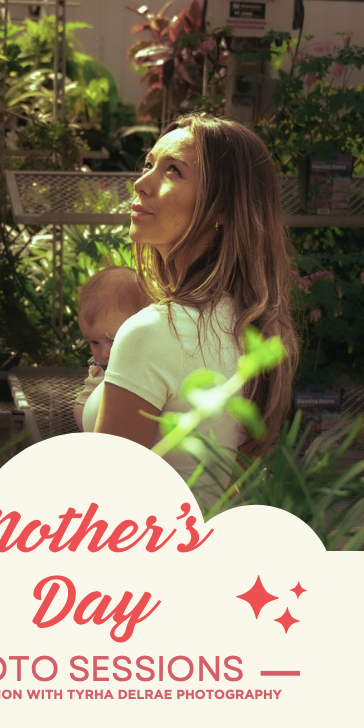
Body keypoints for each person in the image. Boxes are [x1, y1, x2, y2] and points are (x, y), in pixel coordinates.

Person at [93, 113, 298, 474]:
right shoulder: (251, 328)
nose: (141, 183)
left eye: (173, 170)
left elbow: (106, 490)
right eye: (149, 164)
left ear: (221, 207)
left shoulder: (153, 333)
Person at [73, 266, 148, 430]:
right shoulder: (99, 371)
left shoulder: (150, 363)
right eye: (94, 343)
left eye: (113, 341)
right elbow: (81, 404)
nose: (104, 353)